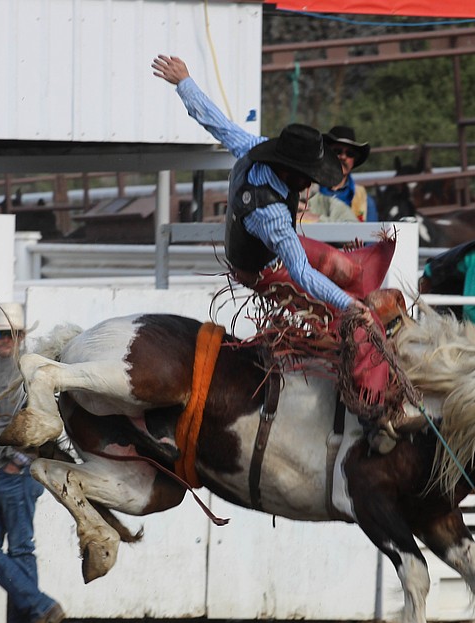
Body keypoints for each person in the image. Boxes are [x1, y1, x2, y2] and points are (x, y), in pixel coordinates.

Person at [152, 54, 422, 442]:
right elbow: (300, 273)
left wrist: (185, 82)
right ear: (293, 172)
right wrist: (350, 307)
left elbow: (216, 122)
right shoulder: (270, 216)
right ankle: (372, 413)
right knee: (348, 319)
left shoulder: (254, 149)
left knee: (343, 267)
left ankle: (372, 316)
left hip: (270, 250)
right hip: (265, 269)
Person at [0, 302, 64, 623]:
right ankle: (41, 609)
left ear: (21, 336)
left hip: (9, 473)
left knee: (13, 549)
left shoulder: (28, 373)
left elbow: (45, 422)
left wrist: (18, 461)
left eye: (9, 334)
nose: (3, 339)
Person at [306, 126, 379, 223]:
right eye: (337, 151)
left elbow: (371, 235)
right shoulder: (307, 190)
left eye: (350, 153)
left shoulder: (365, 201)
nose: (343, 157)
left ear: (354, 159)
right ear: (325, 154)